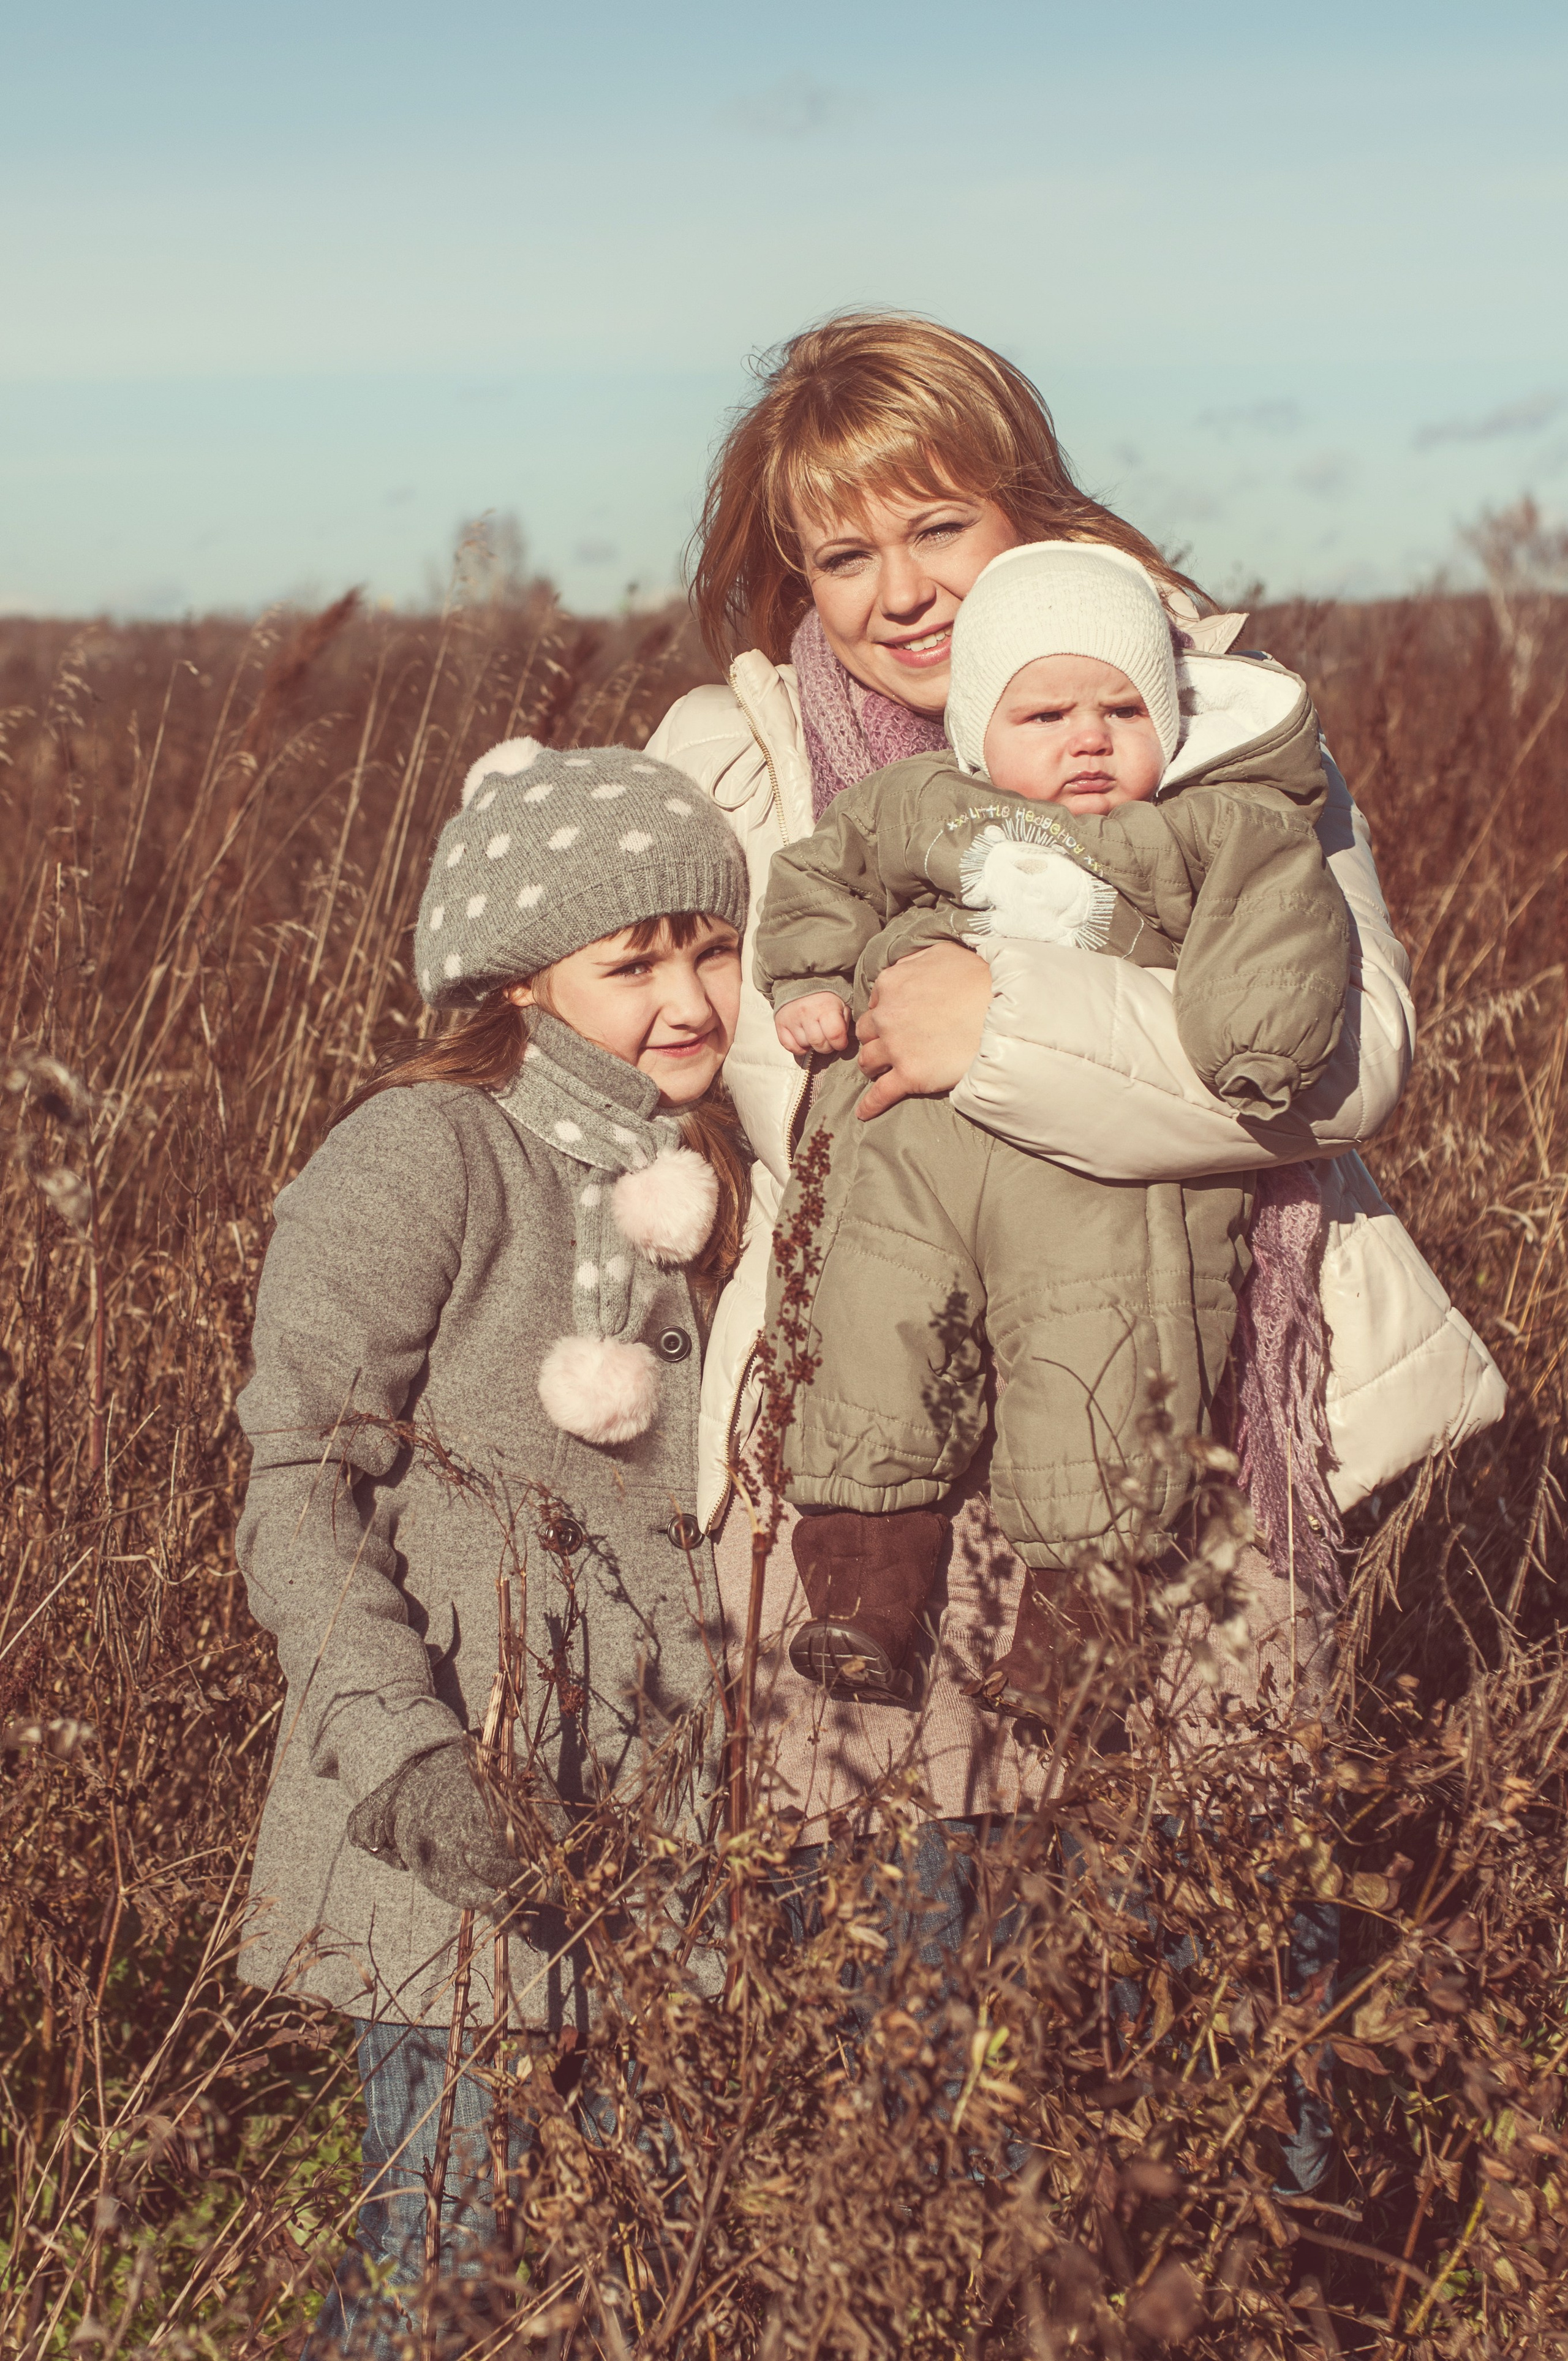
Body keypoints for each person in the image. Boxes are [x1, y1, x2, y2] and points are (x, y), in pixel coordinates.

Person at [234, 744, 752, 2352]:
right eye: (632, 963)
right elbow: (298, 1478)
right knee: (443, 2270)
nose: (688, 999)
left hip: (679, 1831)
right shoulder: (429, 1151)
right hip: (469, 1806)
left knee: (658, 2274)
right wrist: (406, 1751)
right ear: (522, 980)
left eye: (711, 948)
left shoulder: (717, 1167)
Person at [753, 538, 1350, 1710]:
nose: (1088, 739)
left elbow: (1277, 923)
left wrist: (1256, 1044)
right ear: (978, 729)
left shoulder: (1209, 826)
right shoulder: (918, 804)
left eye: (1122, 710)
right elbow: (822, 875)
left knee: (1104, 1370)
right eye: (1044, 715)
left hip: (1094, 1179)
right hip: (906, 1153)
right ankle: (866, 1597)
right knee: (869, 1340)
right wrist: (809, 978)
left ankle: (1073, 1654)